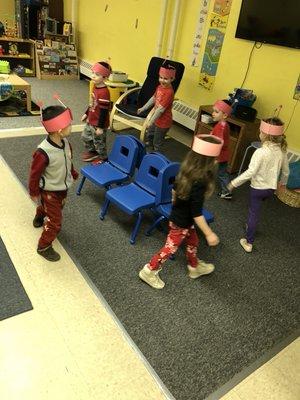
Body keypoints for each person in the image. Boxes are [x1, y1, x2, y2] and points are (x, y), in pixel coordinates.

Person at [139, 134, 222, 289]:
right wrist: (209, 233)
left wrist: (176, 205)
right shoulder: (200, 182)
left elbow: (174, 192)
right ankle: (149, 270)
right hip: (182, 221)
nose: (217, 161)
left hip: (180, 216)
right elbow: (197, 213)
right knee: (170, 247)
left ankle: (194, 266)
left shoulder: (186, 170)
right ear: (208, 162)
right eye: (215, 158)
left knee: (193, 241)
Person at [227, 117, 289, 253]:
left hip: (258, 189)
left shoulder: (260, 152)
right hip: (270, 190)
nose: (259, 134)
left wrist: (234, 183)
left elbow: (250, 172)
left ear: (266, 135)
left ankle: (248, 243)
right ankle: (250, 224)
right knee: (256, 210)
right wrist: (282, 184)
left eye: (260, 132)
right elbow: (286, 172)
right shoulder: (282, 151)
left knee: (253, 213)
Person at [28, 103, 78, 262]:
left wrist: (73, 172)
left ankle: (40, 214)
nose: (71, 126)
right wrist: (34, 192)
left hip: (62, 188)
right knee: (55, 222)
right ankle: (43, 246)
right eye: (68, 124)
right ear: (59, 129)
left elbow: (67, 161)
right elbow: (34, 175)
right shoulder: (42, 152)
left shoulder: (66, 144)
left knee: (56, 208)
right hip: (49, 191)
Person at [137, 63, 175, 153]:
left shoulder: (169, 92)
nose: (162, 80)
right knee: (150, 133)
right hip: (156, 118)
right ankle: (150, 145)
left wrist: (151, 121)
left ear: (172, 79)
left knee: (157, 140)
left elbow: (160, 110)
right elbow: (153, 98)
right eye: (161, 77)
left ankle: (156, 154)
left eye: (165, 78)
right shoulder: (159, 87)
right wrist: (143, 108)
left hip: (164, 121)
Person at [81, 61, 112, 163]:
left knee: (99, 142)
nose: (93, 76)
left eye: (97, 75)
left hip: (99, 123)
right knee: (85, 137)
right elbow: (92, 102)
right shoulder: (95, 86)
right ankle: (93, 152)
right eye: (93, 73)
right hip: (91, 119)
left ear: (105, 77)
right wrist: (86, 113)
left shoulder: (104, 92)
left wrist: (100, 127)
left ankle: (103, 158)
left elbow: (104, 111)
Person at [210, 99, 233, 200]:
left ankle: (227, 192)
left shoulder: (222, 126)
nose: (213, 114)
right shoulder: (222, 124)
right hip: (222, 154)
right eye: (213, 111)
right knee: (221, 173)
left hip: (220, 155)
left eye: (216, 111)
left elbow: (219, 142)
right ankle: (226, 191)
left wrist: (215, 158)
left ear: (224, 115)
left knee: (221, 174)